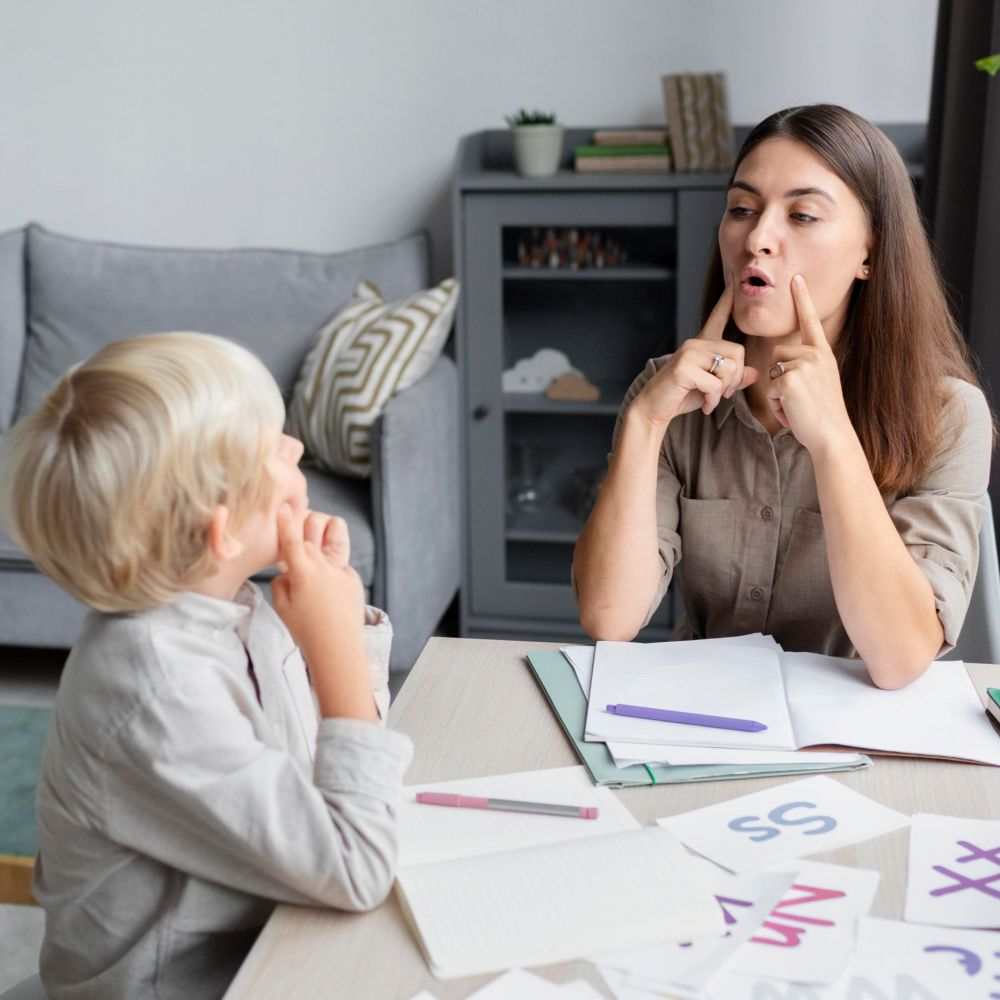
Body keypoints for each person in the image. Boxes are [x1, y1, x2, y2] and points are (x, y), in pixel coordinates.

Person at [0, 332, 413, 1000]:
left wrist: (335, 625)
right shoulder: (156, 686)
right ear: (223, 529)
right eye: (272, 443)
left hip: (268, 944)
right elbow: (357, 863)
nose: (296, 448)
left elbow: (335, 775)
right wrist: (334, 648)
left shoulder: (236, 606)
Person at [573, 104, 993, 691]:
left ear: (870, 253)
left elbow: (900, 658)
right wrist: (645, 421)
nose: (758, 239)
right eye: (742, 210)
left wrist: (833, 438)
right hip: (698, 717)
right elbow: (609, 617)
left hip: (854, 734)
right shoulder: (668, 395)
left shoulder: (949, 415)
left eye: (802, 215)